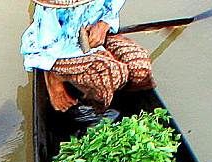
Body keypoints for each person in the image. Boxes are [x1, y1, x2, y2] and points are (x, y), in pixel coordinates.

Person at [23, 0, 155, 114]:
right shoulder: (49, 9)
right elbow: (44, 47)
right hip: (60, 49)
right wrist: (52, 77)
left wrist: (104, 24)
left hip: (95, 33)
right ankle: (91, 108)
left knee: (139, 66)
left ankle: (126, 105)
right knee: (110, 73)